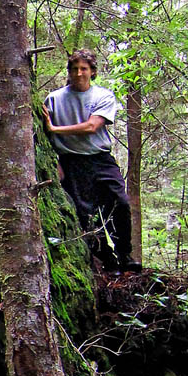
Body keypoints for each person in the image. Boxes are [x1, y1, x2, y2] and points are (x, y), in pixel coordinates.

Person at [43, 48, 141, 274]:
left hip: (101, 159)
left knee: (119, 203)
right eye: (75, 69)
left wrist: (56, 128)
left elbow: (91, 126)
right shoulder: (54, 99)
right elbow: (44, 137)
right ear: (69, 72)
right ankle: (107, 260)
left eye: (84, 69)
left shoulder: (103, 96)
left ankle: (124, 254)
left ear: (92, 72)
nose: (79, 73)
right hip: (72, 162)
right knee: (85, 213)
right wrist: (55, 162)